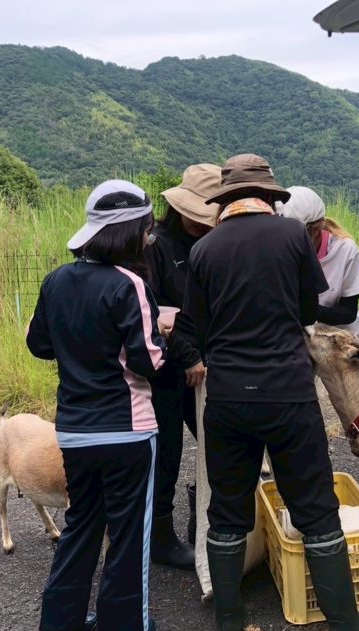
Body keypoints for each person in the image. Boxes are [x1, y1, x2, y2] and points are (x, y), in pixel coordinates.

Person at [184, 154, 359, 631]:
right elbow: (304, 311)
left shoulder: (204, 250)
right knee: (313, 504)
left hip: (228, 396)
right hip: (287, 393)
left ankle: (229, 624)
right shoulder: (294, 238)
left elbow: (197, 328)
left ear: (224, 200)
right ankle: (343, 625)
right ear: (269, 197)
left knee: (227, 507)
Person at [26, 179, 165, 631]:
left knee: (81, 521)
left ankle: (60, 625)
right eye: (147, 229)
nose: (150, 237)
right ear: (131, 232)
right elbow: (148, 360)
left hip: (73, 428)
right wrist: (163, 334)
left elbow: (39, 344)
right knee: (128, 528)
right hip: (128, 428)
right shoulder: (131, 284)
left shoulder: (56, 280)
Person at [141, 164, 222, 569]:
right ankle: (160, 538)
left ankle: (210, 525)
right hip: (166, 368)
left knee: (218, 445)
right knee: (167, 449)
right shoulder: (157, 244)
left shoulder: (214, 242)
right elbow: (149, 310)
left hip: (207, 365)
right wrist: (185, 353)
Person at [278, 186, 359, 340]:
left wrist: (303, 311)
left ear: (314, 230)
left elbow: (348, 313)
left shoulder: (345, 250)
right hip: (303, 335)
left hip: (343, 336)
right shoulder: (280, 251)